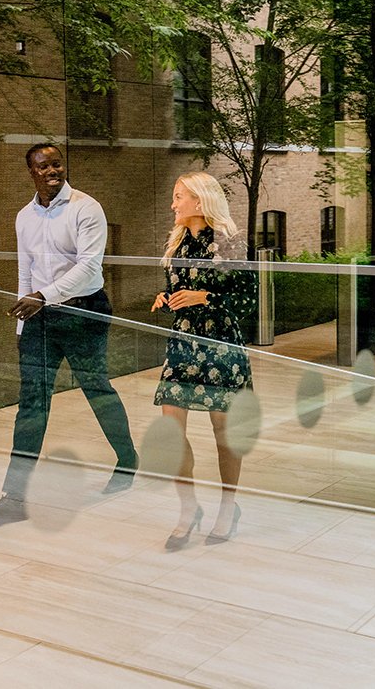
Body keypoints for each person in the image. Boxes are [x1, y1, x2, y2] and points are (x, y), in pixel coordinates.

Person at [0, 143, 138, 528]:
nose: (52, 170)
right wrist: (21, 322)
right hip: (39, 318)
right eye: (43, 166)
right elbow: (25, 272)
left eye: (56, 163)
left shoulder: (86, 208)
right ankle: (14, 498)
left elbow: (89, 268)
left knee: (95, 388)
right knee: (31, 403)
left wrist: (43, 297)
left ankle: (127, 459)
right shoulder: (24, 217)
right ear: (31, 172)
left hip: (84, 311)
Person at [151, 172, 256, 549]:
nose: (173, 204)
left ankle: (228, 507)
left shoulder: (229, 241)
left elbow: (248, 302)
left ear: (200, 201)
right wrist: (167, 298)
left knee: (224, 435)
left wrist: (204, 298)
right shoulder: (177, 243)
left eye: (179, 197)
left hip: (222, 346)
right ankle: (188, 507)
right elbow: (177, 288)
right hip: (182, 346)